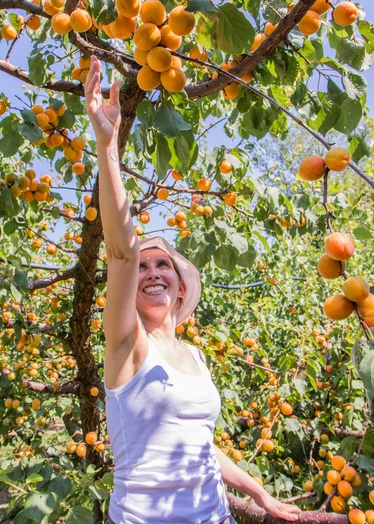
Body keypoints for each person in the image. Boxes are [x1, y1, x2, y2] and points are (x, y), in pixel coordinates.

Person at [85, 56, 301, 524]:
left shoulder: (196, 357)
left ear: (181, 288)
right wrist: (108, 146)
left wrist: (259, 492)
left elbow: (199, 444)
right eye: (144, 267)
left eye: (164, 264)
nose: (152, 272)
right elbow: (121, 251)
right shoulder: (127, 344)